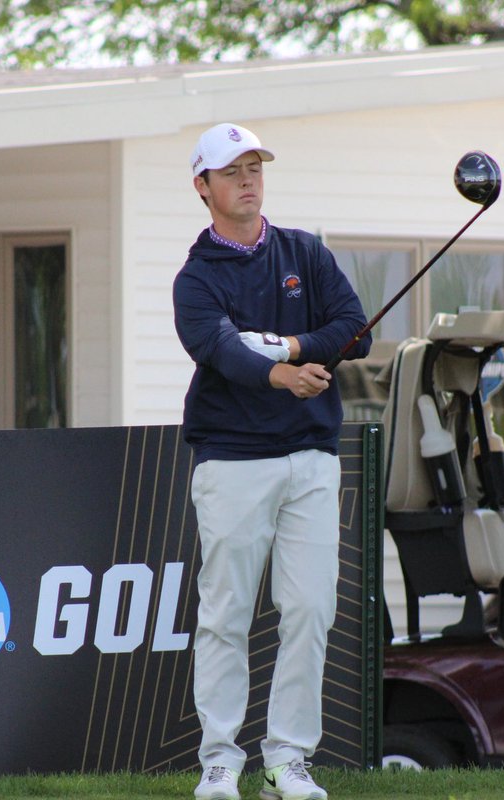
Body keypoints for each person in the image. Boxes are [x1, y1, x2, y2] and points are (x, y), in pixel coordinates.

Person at [173, 123, 372, 800]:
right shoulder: (196, 279)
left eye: (255, 167)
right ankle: (221, 761)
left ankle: (288, 761)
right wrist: (283, 372)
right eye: (232, 171)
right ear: (203, 187)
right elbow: (221, 352)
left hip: (311, 457)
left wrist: (288, 347)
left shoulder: (303, 252)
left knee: (311, 608)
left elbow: (354, 326)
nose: (248, 180)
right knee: (226, 614)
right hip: (231, 461)